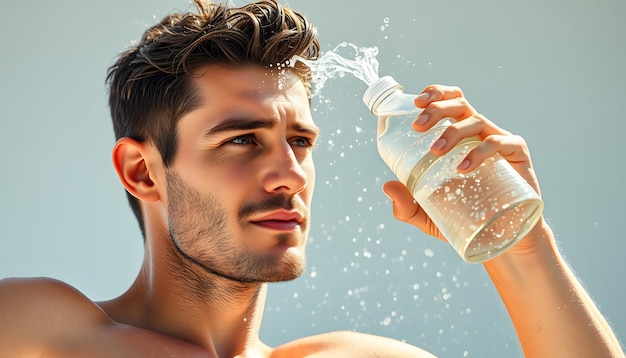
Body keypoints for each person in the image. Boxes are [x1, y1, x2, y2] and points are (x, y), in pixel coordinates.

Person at [0, 0, 622, 357]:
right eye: (242, 140)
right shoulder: (38, 332)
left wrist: (521, 245)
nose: (289, 173)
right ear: (143, 171)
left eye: (299, 141)